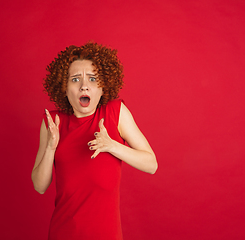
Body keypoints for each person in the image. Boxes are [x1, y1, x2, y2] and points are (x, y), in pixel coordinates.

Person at [31, 42, 157, 240]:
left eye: (92, 79)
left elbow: (151, 164)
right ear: (64, 88)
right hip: (63, 233)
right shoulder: (53, 122)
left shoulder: (115, 113)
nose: (84, 85)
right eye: (75, 79)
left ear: (102, 86)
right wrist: (50, 148)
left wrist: (111, 145)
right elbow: (39, 186)